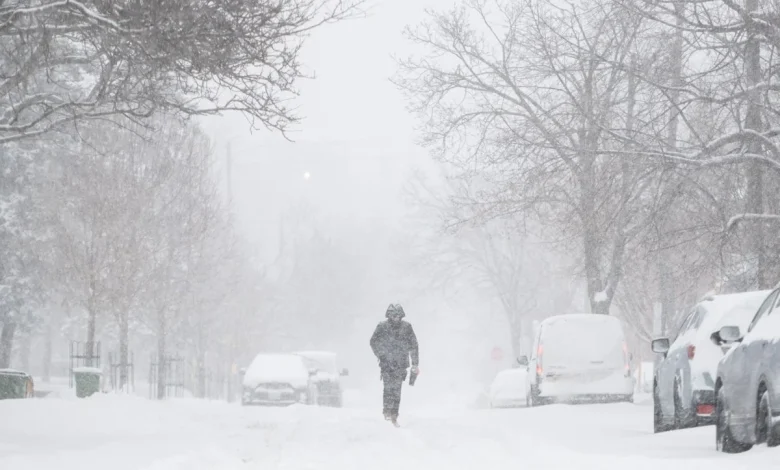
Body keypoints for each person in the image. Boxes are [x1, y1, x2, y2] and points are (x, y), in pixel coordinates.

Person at [369, 303, 419, 426]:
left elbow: (414, 345)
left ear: (401, 316)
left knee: (397, 389)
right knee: (387, 387)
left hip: (401, 364)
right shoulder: (382, 327)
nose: (396, 318)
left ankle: (394, 415)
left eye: (398, 315)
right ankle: (386, 410)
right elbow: (373, 341)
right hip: (386, 363)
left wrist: (415, 363)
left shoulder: (407, 327)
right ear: (389, 315)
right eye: (393, 315)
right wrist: (381, 354)